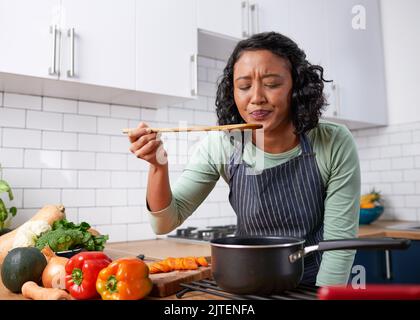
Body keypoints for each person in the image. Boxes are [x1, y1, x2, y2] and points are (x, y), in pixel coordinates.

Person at [127, 32, 360, 287]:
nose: (257, 97)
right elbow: (164, 222)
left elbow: (339, 245)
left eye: (272, 84)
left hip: (312, 282)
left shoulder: (333, 141)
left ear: (297, 86)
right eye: (244, 86)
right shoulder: (222, 144)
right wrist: (157, 165)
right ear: (233, 91)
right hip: (246, 281)